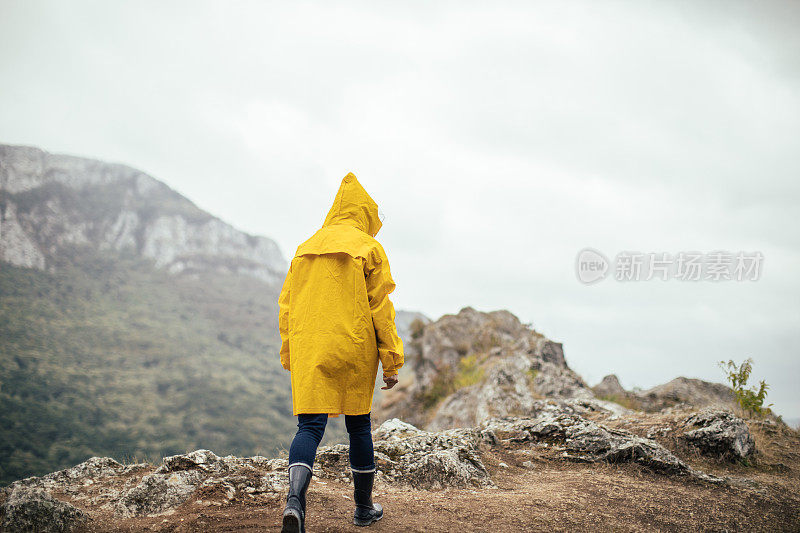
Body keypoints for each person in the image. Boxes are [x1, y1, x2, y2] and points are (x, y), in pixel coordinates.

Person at [278, 172, 404, 532]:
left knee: (309, 426)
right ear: (363, 213)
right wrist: (391, 362)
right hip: (354, 347)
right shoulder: (369, 248)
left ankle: (294, 503)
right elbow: (380, 307)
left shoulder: (305, 247)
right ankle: (363, 510)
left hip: (310, 347)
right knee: (358, 425)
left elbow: (286, 307)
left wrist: (290, 353)